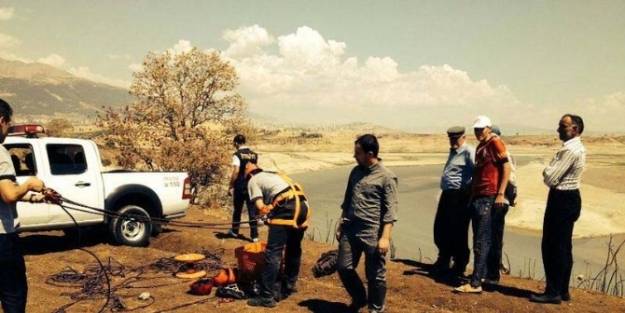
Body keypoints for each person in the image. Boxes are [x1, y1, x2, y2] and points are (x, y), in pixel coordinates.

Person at [336, 134, 398, 313]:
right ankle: (359, 298)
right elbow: (348, 200)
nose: (354, 156)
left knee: (375, 275)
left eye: (358, 153)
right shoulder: (355, 171)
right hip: (351, 229)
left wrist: (385, 237)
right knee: (344, 267)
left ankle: (376, 308)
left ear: (370, 154)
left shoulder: (387, 177)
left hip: (373, 233)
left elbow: (390, 210)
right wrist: (341, 222)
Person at [530, 114, 585, 304]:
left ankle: (553, 291)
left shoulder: (569, 150)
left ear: (575, 129)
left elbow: (550, 177)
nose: (558, 129)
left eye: (563, 126)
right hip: (570, 197)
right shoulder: (576, 147)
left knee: (552, 246)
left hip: (562, 199)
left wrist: (547, 169)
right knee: (563, 246)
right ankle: (562, 290)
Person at [0, 98, 49, 313]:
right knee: (14, 295)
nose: (8, 130)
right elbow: (9, 194)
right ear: (2, 121)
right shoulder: (0, 152)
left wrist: (34, 197)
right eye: (8, 125)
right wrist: (30, 183)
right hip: (2, 240)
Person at [455, 116, 511, 293]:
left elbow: (506, 167)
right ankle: (482, 276)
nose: (478, 132)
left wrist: (500, 193)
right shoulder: (481, 147)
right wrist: (472, 195)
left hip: (489, 196)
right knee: (479, 238)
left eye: (481, 129)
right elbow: (478, 175)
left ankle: (476, 283)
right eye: (476, 129)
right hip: (478, 197)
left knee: (482, 239)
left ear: (489, 128)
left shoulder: (495, 143)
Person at [245, 162, 310, 308]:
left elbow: (261, 207)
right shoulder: (273, 175)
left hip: (287, 208)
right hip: (303, 206)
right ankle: (289, 285)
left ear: (248, 173)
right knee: (294, 248)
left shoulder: (253, 180)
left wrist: (262, 216)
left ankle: (266, 296)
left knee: (273, 252)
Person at [432, 126, 474, 281]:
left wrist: (468, 191)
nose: (453, 142)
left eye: (456, 139)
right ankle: (443, 258)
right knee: (441, 228)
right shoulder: (453, 151)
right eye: (451, 139)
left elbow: (477, 172)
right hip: (448, 195)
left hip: (460, 196)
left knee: (458, 231)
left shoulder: (469, 151)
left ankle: (459, 264)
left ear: (464, 137)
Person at [484, 125, 516, 285]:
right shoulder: (498, 151)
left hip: (498, 201)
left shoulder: (500, 152)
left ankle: (493, 275)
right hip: (498, 200)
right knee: (491, 237)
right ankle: (490, 270)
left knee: (494, 238)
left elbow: (509, 176)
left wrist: (501, 194)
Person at [227, 134, 259, 242]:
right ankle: (254, 236)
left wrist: (231, 185)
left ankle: (235, 232)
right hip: (252, 185)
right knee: (252, 211)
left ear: (236, 143)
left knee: (238, 209)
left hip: (240, 185)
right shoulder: (254, 155)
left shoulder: (237, 154)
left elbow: (236, 171)